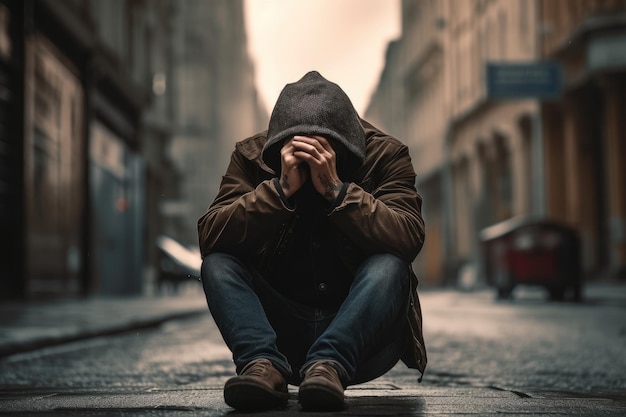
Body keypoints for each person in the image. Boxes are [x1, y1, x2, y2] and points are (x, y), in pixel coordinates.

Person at [197, 71, 426, 411]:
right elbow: (211, 234)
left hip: (359, 334)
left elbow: (408, 235)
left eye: (323, 151)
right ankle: (263, 365)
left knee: (391, 265)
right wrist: (279, 191)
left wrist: (338, 191)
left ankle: (329, 365)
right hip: (282, 328)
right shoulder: (252, 157)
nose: (310, 160)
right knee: (217, 263)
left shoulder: (385, 155)